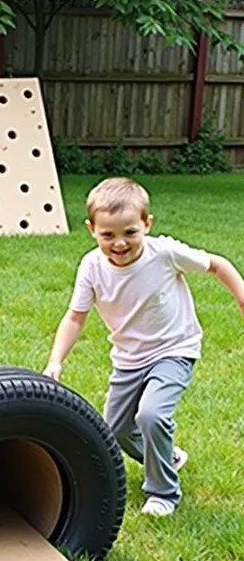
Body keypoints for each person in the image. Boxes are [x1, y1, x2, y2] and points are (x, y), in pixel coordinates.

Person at [43, 177, 244, 516]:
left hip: (174, 349)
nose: (119, 243)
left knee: (151, 414)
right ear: (92, 229)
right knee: (118, 431)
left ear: (146, 225)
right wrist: (56, 360)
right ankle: (169, 457)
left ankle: (163, 492)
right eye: (108, 235)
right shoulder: (91, 267)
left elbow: (217, 265)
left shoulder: (164, 253)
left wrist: (241, 297)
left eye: (130, 233)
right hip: (128, 358)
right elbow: (75, 317)